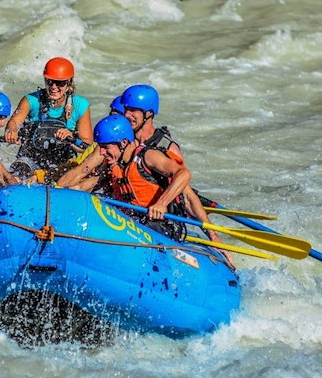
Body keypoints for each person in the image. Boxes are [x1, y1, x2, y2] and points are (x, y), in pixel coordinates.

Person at [57, 85, 231, 262]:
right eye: (126, 109)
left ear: (148, 113)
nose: (127, 115)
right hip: (129, 215)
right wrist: (57, 193)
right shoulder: (115, 145)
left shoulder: (157, 151)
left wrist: (212, 235)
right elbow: (89, 178)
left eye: (133, 110)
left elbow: (185, 189)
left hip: (157, 222)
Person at [93, 114, 192, 240]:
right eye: (100, 147)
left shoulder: (148, 156)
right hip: (131, 221)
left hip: (158, 225)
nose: (101, 152)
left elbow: (184, 174)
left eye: (106, 147)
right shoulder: (113, 163)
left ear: (123, 143)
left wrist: (161, 204)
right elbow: (87, 185)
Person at [4, 57, 93, 178]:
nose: (54, 87)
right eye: (50, 81)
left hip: (61, 165)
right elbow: (14, 122)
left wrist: (70, 137)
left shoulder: (80, 105)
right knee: (19, 172)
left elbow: (86, 147)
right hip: (29, 160)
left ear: (69, 83)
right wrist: (11, 131)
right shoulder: (31, 100)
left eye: (60, 83)